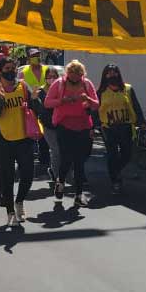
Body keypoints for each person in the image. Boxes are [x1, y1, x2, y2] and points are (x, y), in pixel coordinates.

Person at [0, 57, 43, 226]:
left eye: (13, 68)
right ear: (0, 71)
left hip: (24, 138)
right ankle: (10, 210)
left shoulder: (23, 86)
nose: (11, 71)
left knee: (27, 175)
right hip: (3, 141)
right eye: (7, 68)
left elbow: (37, 108)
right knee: (7, 178)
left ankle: (20, 201)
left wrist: (34, 99)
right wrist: (1, 99)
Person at [44, 60, 99, 207]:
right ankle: (60, 182)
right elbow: (47, 103)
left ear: (82, 74)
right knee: (67, 159)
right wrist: (62, 100)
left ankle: (78, 195)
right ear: (68, 73)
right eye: (72, 73)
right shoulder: (59, 83)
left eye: (78, 74)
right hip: (64, 126)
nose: (75, 77)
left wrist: (87, 99)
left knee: (79, 162)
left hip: (83, 126)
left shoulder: (87, 84)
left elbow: (96, 104)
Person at [97, 64, 145, 195]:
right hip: (108, 128)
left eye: (114, 72)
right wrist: (94, 126)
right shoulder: (101, 92)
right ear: (105, 75)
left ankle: (115, 171)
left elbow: (136, 105)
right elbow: (95, 110)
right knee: (112, 155)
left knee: (127, 154)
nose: (112, 75)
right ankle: (115, 181)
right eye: (109, 73)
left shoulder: (128, 89)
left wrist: (141, 122)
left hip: (125, 127)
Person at [36, 66, 60, 183]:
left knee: (62, 150)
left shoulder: (62, 89)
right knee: (55, 150)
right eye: (49, 77)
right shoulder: (41, 91)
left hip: (61, 124)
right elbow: (41, 108)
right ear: (45, 78)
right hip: (48, 125)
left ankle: (55, 170)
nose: (51, 79)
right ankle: (56, 175)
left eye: (54, 77)